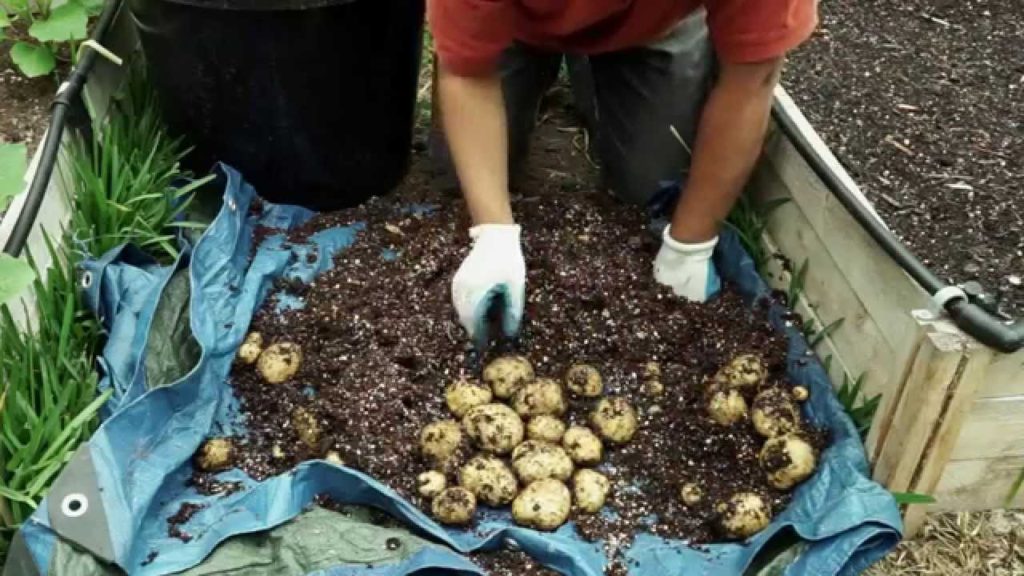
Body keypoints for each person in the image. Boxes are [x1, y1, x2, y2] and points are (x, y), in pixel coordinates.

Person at [428, 0, 817, 344]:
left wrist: (690, 246)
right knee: (460, 179)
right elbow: (465, 72)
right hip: (514, 20)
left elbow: (752, 80)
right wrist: (493, 232)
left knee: (651, 190)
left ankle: (599, 70)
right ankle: (557, 60)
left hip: (656, 22)